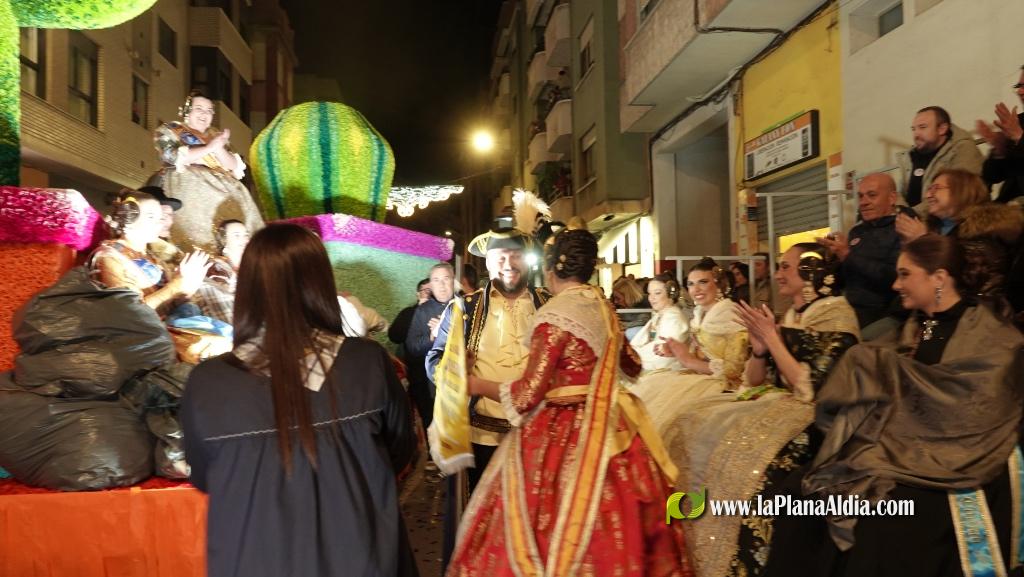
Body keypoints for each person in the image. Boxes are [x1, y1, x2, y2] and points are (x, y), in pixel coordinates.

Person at [445, 228, 693, 577]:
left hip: (559, 434)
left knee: (540, 522)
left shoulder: (552, 315)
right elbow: (632, 366)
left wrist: (474, 383)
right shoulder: (602, 306)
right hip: (612, 426)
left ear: (548, 268)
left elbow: (526, 395)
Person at [775, 234, 1024, 577]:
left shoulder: (990, 331)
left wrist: (892, 374)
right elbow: (893, 381)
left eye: (905, 274)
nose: (895, 284)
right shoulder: (913, 328)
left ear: (938, 278)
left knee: (881, 516)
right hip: (898, 445)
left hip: (956, 450)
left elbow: (976, 402)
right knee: (801, 490)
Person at [181, 223, 418, 577]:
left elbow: (204, 476)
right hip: (362, 556)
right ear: (320, 283)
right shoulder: (365, 362)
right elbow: (401, 449)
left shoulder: (207, 382)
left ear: (247, 289)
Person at [658, 244, 859, 577]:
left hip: (817, 414)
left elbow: (813, 388)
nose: (777, 274)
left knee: (743, 459)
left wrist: (772, 338)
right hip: (776, 400)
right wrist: (761, 349)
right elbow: (752, 380)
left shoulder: (837, 315)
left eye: (786, 267)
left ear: (811, 274)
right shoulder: (793, 315)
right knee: (688, 424)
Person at [426, 228, 550, 569]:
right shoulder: (464, 309)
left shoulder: (549, 305)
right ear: (488, 262)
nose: (507, 263)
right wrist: (455, 375)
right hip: (483, 436)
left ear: (526, 260)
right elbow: (435, 360)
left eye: (514, 255)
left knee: (536, 523)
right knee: (486, 525)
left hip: (537, 436)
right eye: (500, 257)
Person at [631, 258, 748, 424]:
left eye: (703, 282)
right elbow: (696, 353)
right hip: (696, 377)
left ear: (719, 284)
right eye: (691, 284)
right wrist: (677, 352)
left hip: (723, 385)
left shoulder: (730, 315)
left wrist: (687, 360)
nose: (696, 289)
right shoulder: (699, 314)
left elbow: (733, 370)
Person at [896, 168, 1024, 317]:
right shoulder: (936, 229)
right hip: (927, 311)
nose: (928, 195)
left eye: (936, 188)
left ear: (961, 191)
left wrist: (924, 243)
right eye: (929, 188)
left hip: (975, 316)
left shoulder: (983, 232)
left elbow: (969, 282)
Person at [151, 90, 264, 253]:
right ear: (187, 112)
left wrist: (218, 148)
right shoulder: (170, 130)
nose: (205, 114)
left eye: (209, 110)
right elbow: (173, 156)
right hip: (188, 185)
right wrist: (210, 148)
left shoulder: (215, 135)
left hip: (226, 187)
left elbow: (233, 166)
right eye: (199, 109)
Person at [819, 173, 914, 334]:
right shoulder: (857, 231)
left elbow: (895, 278)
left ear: (892, 198)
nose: (863, 202)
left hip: (886, 315)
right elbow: (847, 278)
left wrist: (848, 255)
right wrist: (834, 258)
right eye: (860, 196)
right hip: (849, 311)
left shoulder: (905, 228)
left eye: (872, 195)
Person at [91, 189, 211, 317]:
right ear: (128, 218)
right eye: (151, 216)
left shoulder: (153, 259)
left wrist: (186, 289)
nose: (159, 223)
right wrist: (176, 285)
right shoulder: (109, 257)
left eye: (160, 218)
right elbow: (130, 314)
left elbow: (166, 306)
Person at [898, 106, 983, 209]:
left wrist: (912, 215)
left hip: (949, 222)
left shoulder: (963, 149)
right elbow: (901, 194)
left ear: (942, 129)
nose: (916, 134)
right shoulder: (910, 157)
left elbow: (960, 194)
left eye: (922, 127)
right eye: (913, 129)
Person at [405, 263, 456, 430]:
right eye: (436, 280)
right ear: (431, 285)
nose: (441, 285)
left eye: (446, 279)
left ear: (453, 281)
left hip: (463, 380)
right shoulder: (422, 311)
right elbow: (412, 347)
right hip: (432, 384)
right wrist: (433, 337)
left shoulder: (467, 306)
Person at [978, 65, 1024, 203]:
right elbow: (993, 176)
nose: (1021, 91)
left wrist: (1019, 137)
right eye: (1018, 86)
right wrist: (999, 152)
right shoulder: (1019, 122)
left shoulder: (1017, 128)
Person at [629, 272, 688, 373]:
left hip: (666, 370)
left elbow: (663, 357)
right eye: (649, 293)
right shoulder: (660, 315)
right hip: (652, 366)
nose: (651, 298)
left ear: (671, 294)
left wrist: (634, 358)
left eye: (657, 293)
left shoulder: (673, 318)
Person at [194, 219, 249, 324]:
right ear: (224, 243)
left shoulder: (250, 268)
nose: (245, 240)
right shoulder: (215, 269)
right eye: (237, 235)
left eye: (246, 235)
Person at [388, 279, 431, 346]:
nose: (431, 295)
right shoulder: (408, 312)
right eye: (427, 291)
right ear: (418, 294)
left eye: (434, 291)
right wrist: (417, 311)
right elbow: (394, 337)